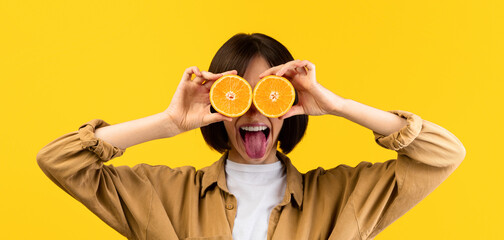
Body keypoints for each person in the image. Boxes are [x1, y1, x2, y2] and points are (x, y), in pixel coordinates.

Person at [37, 33, 466, 240]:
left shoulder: (344, 196)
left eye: (270, 92)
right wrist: (168, 122)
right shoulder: (162, 194)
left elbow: (445, 154)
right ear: (218, 102)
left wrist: (336, 105)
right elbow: (58, 160)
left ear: (289, 100)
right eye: (237, 91)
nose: (254, 109)